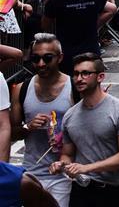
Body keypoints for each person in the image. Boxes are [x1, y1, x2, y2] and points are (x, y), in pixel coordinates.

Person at [49, 53, 119, 206]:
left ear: (100, 77)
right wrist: (62, 165)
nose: (79, 78)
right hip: (82, 191)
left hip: (114, 192)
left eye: (85, 73)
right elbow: (67, 153)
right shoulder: (70, 116)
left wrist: (86, 168)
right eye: (76, 74)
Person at [11, 34, 75, 206]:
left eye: (47, 58)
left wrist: (63, 138)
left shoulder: (74, 88)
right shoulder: (22, 89)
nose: (41, 64)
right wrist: (27, 127)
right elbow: (11, 133)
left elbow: (89, 132)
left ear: (60, 57)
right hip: (32, 172)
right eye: (35, 58)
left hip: (63, 173)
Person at [42, 0, 117, 74]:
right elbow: (111, 7)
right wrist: (93, 26)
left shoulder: (55, 0)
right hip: (92, 52)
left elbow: (45, 25)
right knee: (91, 87)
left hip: (67, 55)